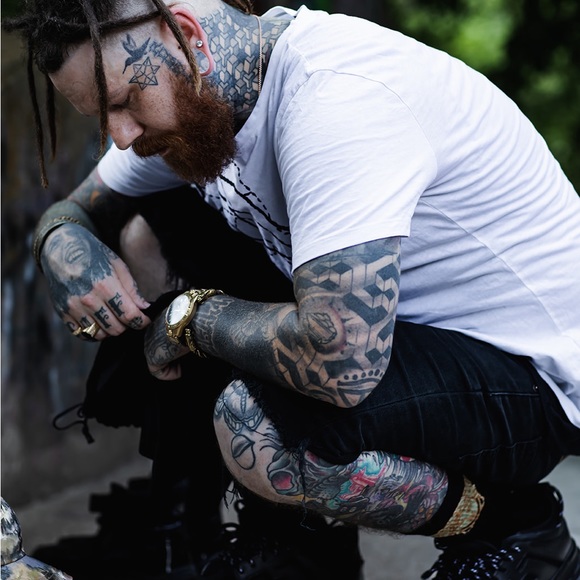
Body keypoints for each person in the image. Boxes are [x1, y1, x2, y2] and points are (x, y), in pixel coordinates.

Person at [4, 0, 580, 578]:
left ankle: (519, 531)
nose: (122, 136)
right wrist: (58, 240)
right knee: (145, 226)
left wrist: (189, 317)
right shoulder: (207, 96)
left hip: (532, 375)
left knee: (258, 428)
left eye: (125, 101)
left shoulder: (334, 100)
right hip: (414, 342)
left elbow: (342, 362)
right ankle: (282, 543)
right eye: (102, 119)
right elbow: (78, 208)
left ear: (187, 36)